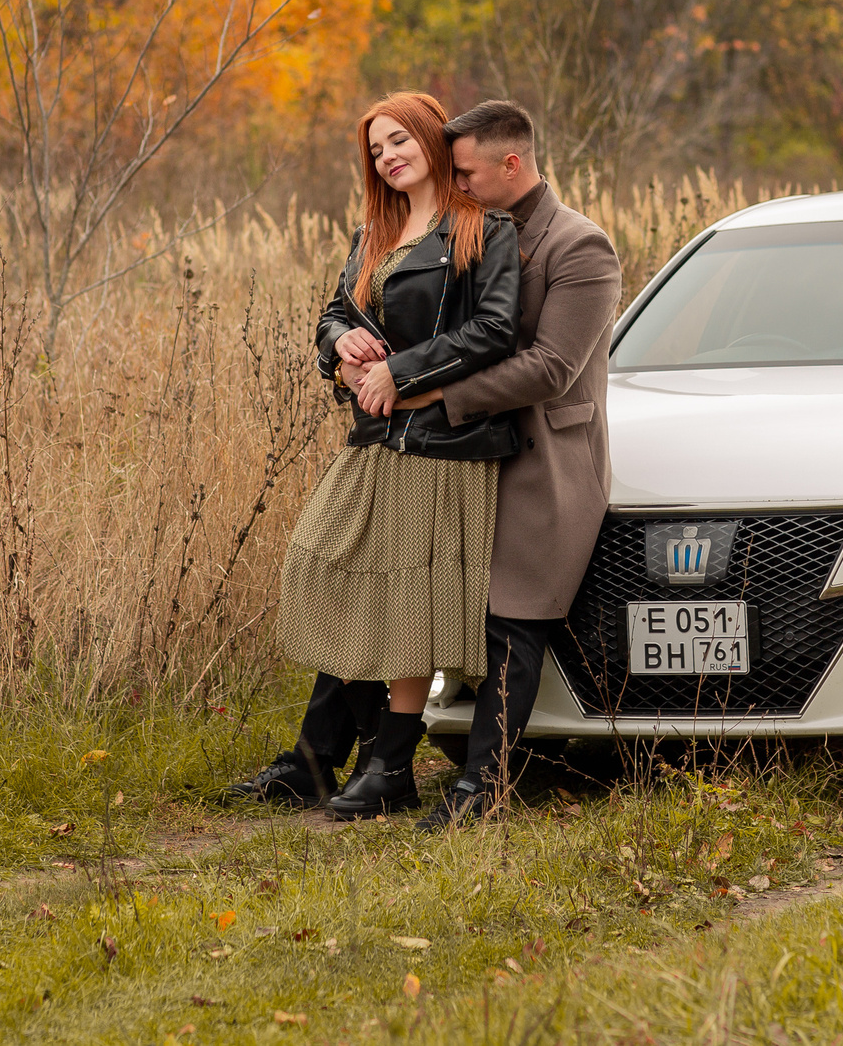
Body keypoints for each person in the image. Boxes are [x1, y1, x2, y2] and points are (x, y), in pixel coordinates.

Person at [232, 92, 522, 820]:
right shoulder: (375, 233)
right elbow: (334, 314)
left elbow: (494, 330)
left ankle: (387, 765)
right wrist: (341, 346)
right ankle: (340, 755)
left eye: (398, 140)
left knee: (405, 602)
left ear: (429, 137)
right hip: (375, 439)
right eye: (375, 149)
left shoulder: (484, 230)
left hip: (441, 447)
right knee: (330, 571)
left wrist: (401, 371)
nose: (388, 156)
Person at [406, 100, 623, 830]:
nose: (457, 185)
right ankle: (367, 764)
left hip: (545, 462)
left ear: (511, 163)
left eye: (466, 172)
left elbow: (554, 367)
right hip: (465, 456)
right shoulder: (464, 233)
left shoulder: (579, 246)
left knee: (513, 621)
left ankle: (481, 787)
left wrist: (438, 394)